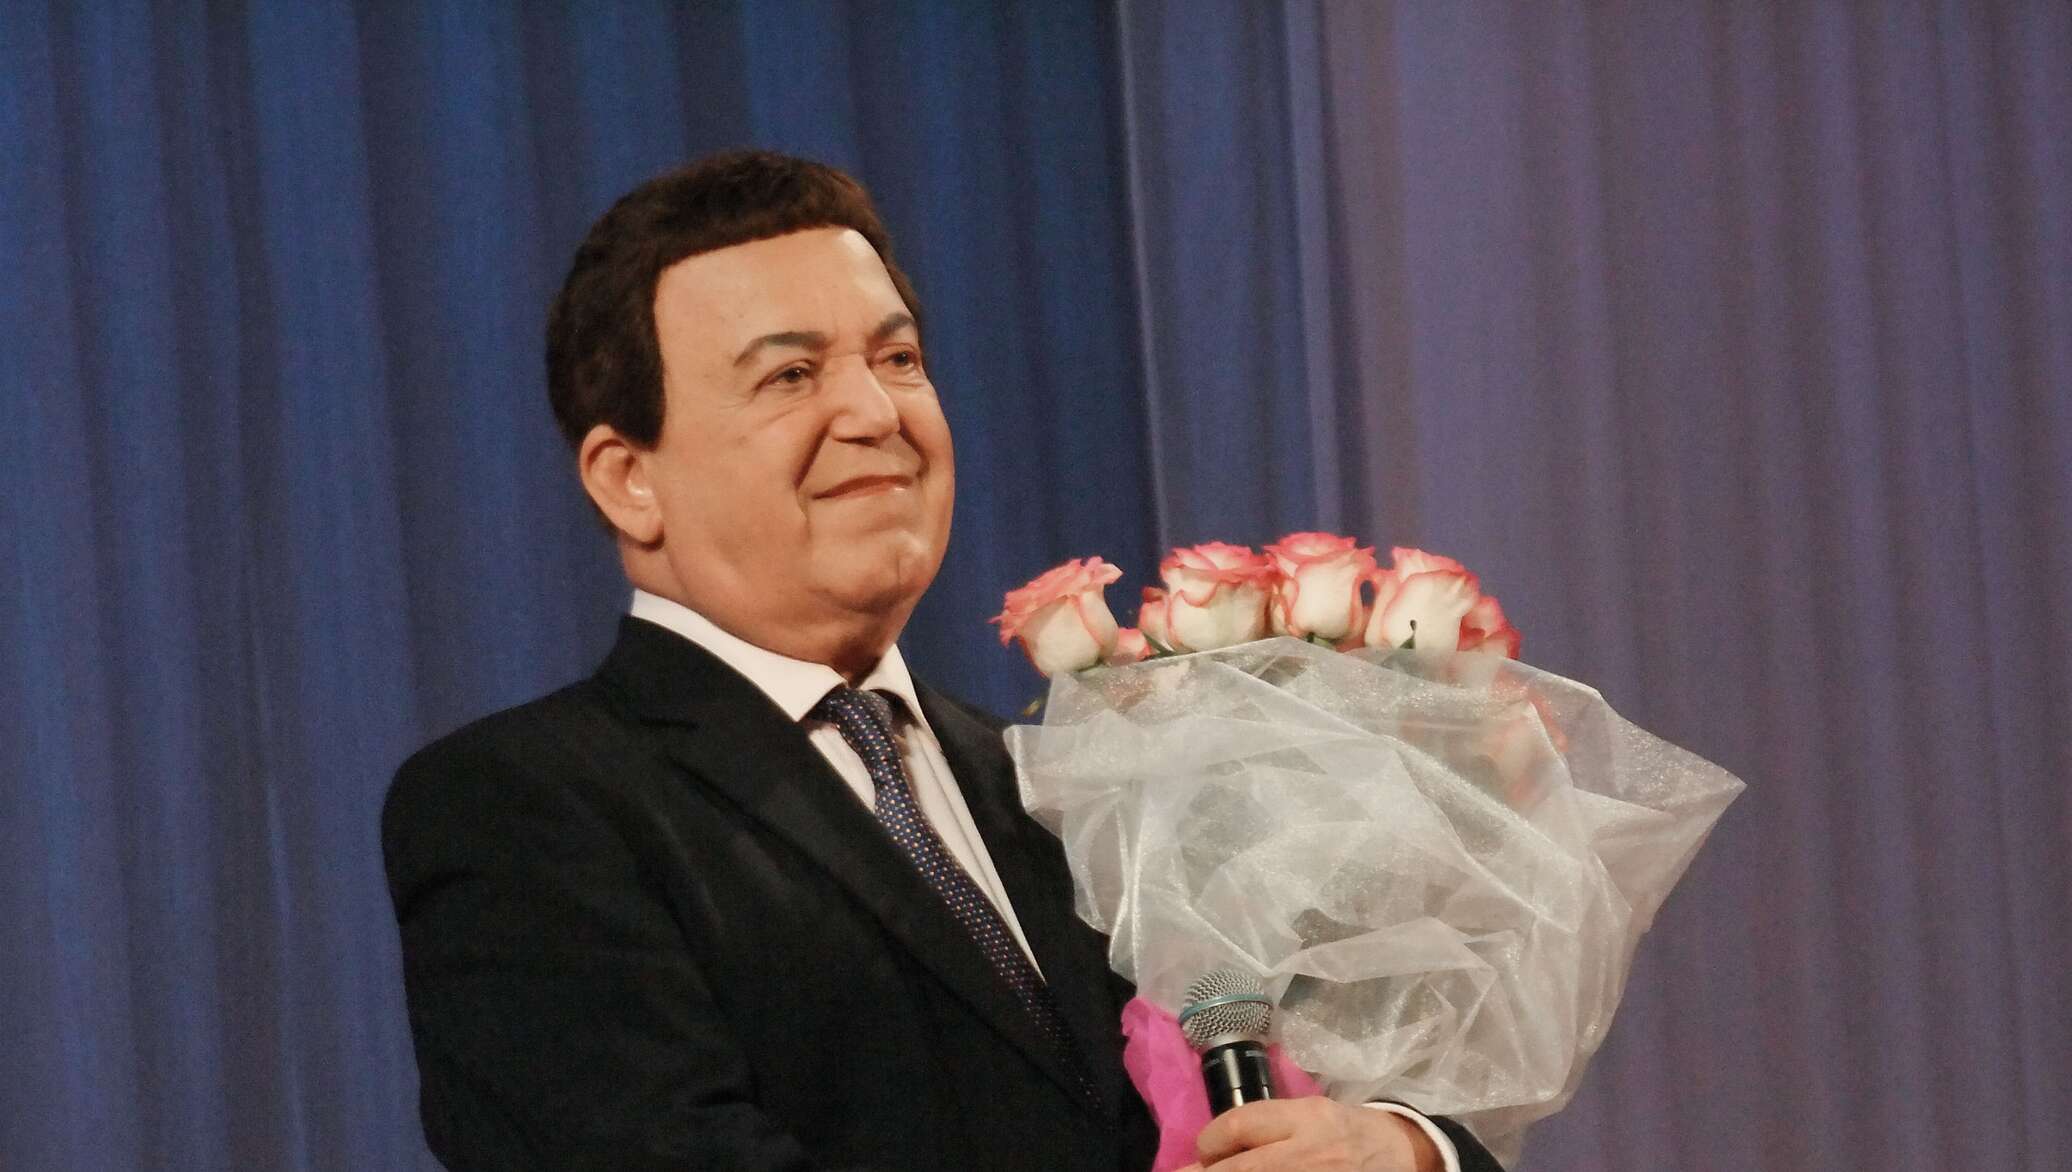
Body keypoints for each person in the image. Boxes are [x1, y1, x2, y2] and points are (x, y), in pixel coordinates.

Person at [381, 150, 1503, 1172]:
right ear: (629, 478)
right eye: (790, 375)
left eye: (898, 357)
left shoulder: (1062, 783)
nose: (875, 412)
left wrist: (1400, 1148)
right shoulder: (521, 806)